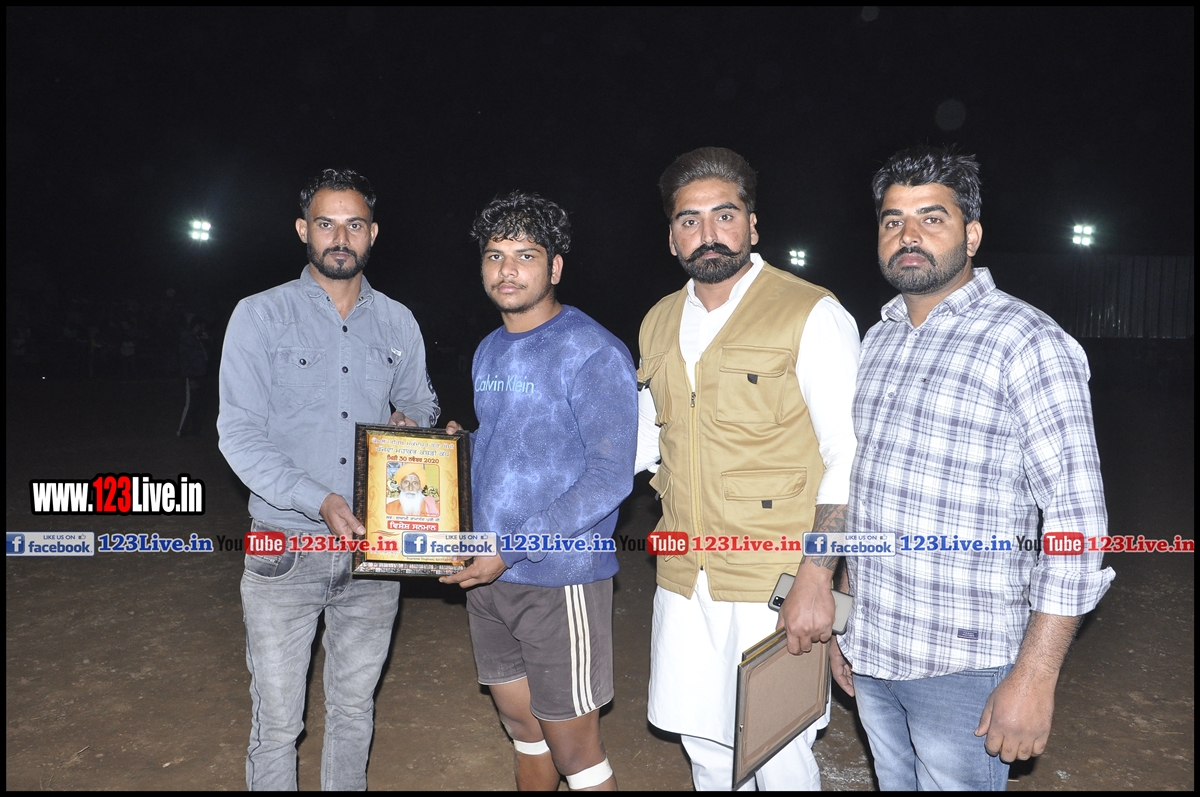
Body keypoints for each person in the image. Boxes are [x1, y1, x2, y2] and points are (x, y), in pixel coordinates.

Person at [833, 145, 1115, 791]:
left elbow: (1076, 522)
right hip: (874, 650)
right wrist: (849, 623)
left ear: (973, 234)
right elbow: (867, 487)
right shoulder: (877, 339)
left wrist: (1035, 675)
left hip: (965, 664)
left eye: (932, 218)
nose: (908, 235)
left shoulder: (1026, 340)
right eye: (892, 220)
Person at [634, 147, 860, 790]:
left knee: (777, 749)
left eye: (724, 215)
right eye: (689, 220)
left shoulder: (810, 312)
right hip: (685, 577)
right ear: (672, 236)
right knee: (705, 747)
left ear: (753, 226)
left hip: (775, 578)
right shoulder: (658, 321)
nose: (708, 233)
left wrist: (817, 575)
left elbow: (849, 454)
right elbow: (642, 445)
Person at [217, 168, 440, 791]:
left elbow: (420, 404)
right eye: (326, 224)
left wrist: (411, 424)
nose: (340, 238)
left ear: (373, 233)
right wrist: (317, 499)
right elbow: (238, 435)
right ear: (302, 230)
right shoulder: (260, 316)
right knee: (277, 722)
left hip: (373, 549)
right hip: (284, 548)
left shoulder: (398, 322)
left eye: (354, 225)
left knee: (353, 709)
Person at [440, 192, 637, 791]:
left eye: (525, 255)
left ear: (555, 266)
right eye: (495, 255)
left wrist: (513, 548)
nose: (507, 270)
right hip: (488, 574)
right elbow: (515, 442)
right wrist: (460, 448)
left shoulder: (592, 350)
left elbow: (609, 477)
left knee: (576, 753)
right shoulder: (489, 348)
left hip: (559, 577)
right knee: (523, 729)